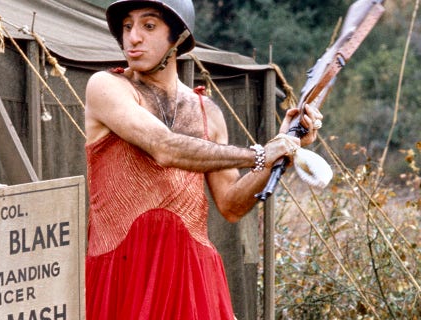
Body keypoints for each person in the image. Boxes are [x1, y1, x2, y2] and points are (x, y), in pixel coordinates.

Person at [84, 0, 323, 319]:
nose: (134, 37)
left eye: (149, 26)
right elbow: (165, 147)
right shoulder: (107, 86)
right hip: (124, 275)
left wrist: (284, 150)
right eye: (127, 26)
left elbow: (232, 206)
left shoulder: (207, 111)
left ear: (179, 37)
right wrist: (262, 153)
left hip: (193, 279)